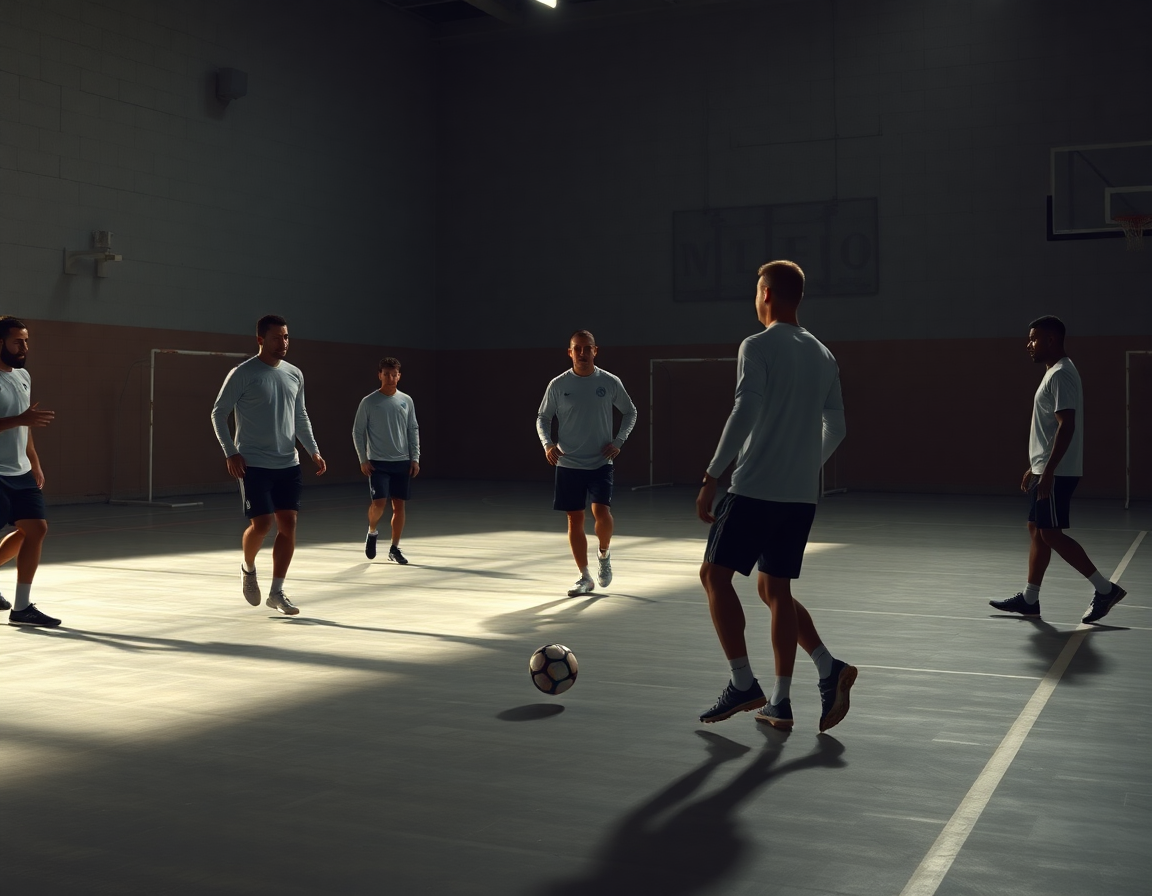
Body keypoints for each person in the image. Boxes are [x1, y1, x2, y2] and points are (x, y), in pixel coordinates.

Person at [696, 261, 854, 732]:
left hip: (755, 488)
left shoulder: (757, 345)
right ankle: (799, 690)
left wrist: (712, 474)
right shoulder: (824, 354)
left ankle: (744, 682)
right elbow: (839, 426)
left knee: (714, 577)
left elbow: (745, 407)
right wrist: (807, 465)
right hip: (800, 495)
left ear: (765, 294)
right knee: (774, 589)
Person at [989, 316, 1126, 623]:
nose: (1029, 345)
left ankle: (1105, 590)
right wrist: (1036, 466)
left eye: (1034, 339)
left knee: (1050, 533)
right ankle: (1030, 599)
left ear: (1051, 340)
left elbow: (1066, 426)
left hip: (1058, 471)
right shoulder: (1053, 372)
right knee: (1037, 529)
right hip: (1047, 468)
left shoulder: (1062, 374)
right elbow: (1050, 429)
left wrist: (1048, 470)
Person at [211, 314, 326, 616]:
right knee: (262, 524)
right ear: (261, 340)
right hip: (253, 463)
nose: (283, 342)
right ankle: (248, 568)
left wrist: (312, 450)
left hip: (288, 462)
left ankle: (277, 591)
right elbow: (218, 413)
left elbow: (300, 416)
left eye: (287, 337)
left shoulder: (294, 374)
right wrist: (230, 452)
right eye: (277, 337)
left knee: (289, 525)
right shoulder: (243, 373)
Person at [536, 330, 637, 596]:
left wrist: (619, 441)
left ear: (596, 351)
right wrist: (547, 444)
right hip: (568, 463)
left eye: (587, 348)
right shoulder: (558, 385)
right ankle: (584, 576)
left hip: (601, 461)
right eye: (577, 348)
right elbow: (542, 417)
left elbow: (630, 411)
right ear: (570, 352)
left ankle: (604, 554)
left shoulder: (609, 382)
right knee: (574, 519)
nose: (582, 353)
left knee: (601, 513)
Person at [0, 317, 59, 627]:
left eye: (26, 341)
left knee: (35, 529)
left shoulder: (23, 376)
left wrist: (34, 461)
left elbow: (27, 425)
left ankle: (21, 608)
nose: (24, 347)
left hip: (20, 472)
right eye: (17, 342)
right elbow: (22, 419)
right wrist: (21, 419)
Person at [352, 357, 420, 563]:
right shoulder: (369, 402)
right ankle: (372, 531)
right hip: (378, 462)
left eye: (394, 374)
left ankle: (394, 548)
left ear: (399, 376)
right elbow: (357, 431)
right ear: (379, 375)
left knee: (399, 506)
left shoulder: (406, 400)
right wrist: (363, 459)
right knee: (379, 503)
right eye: (387, 374)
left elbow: (412, 429)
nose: (390, 378)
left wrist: (414, 457)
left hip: (402, 461)